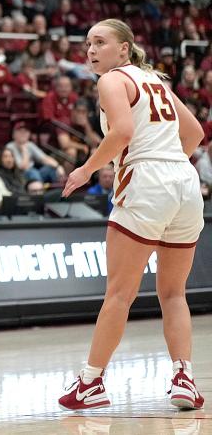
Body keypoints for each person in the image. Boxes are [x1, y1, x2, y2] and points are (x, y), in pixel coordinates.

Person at [59, 20, 206, 411]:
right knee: (174, 293)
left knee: (119, 294)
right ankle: (184, 379)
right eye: (88, 43)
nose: (91, 50)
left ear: (124, 49)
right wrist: (169, 163)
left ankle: (90, 383)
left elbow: (122, 132)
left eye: (101, 42)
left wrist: (86, 169)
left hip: (147, 181)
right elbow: (194, 134)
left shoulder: (111, 81)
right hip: (184, 182)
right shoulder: (155, 81)